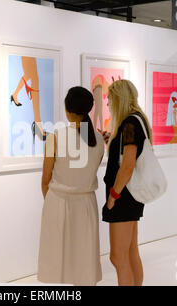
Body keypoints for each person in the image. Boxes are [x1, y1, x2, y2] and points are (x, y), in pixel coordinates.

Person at [37, 87, 104, 286]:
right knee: (84, 261)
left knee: (57, 261)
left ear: (67, 109)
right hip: (86, 204)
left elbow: (45, 179)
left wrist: (50, 201)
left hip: (58, 202)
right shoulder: (99, 139)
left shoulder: (55, 137)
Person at [100, 79, 153, 286]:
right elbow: (127, 155)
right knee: (131, 251)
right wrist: (111, 141)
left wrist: (113, 196)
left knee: (117, 257)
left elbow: (128, 166)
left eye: (110, 99)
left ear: (119, 99)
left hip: (123, 196)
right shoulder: (137, 120)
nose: (108, 104)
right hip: (130, 195)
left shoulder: (130, 124)